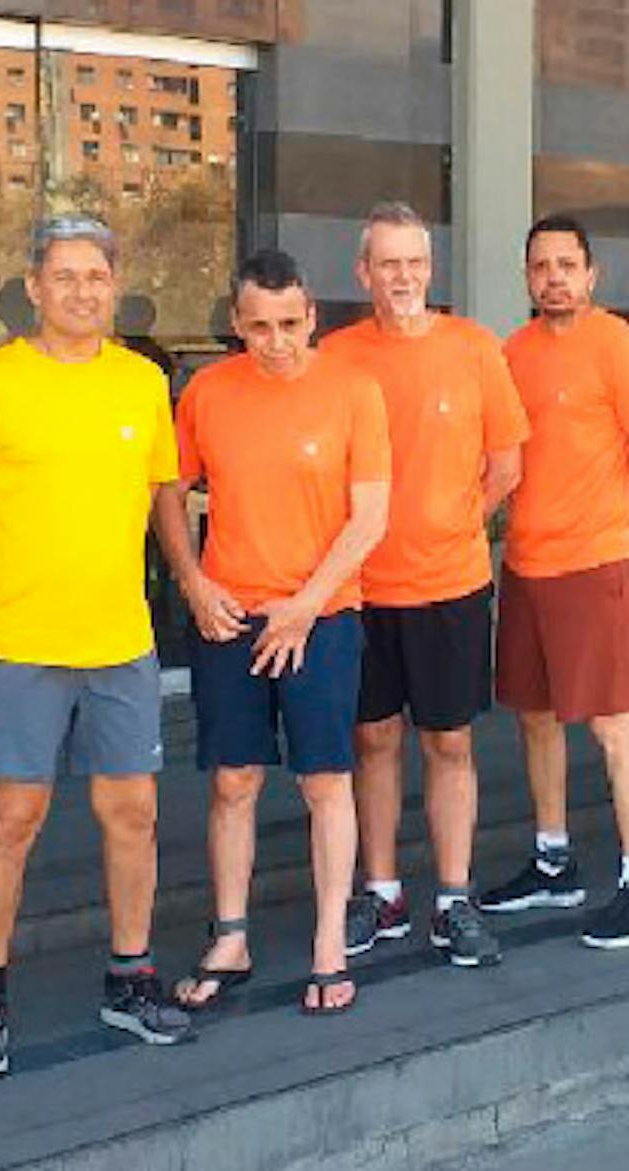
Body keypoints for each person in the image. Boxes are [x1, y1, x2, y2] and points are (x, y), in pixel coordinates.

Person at [0, 215, 193, 1081]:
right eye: (66, 275)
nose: (83, 290)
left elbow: (162, 493)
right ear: (34, 286)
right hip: (18, 643)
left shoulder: (142, 383)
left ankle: (131, 975)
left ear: (112, 286)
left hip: (120, 637)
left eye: (97, 275)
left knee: (134, 814)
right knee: (12, 820)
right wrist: (10, 584)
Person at [155, 249, 390, 1016]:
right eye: (259, 326)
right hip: (230, 614)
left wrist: (304, 605)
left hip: (321, 616)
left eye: (290, 323)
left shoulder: (353, 389)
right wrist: (192, 581)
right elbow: (169, 492)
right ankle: (231, 934)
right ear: (236, 323)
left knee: (325, 780)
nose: (276, 340)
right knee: (233, 780)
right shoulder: (208, 392)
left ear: (312, 317)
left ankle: (328, 938)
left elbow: (370, 516)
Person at [320, 202, 529, 967]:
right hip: (362, 589)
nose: (402, 276)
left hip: (451, 584)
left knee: (449, 740)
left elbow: (506, 463)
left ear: (429, 269)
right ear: (363, 273)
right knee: (371, 739)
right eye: (388, 263)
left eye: (414, 262)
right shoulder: (336, 357)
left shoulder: (474, 348)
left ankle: (452, 896)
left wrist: (453, 522)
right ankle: (382, 893)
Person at [479, 215, 629, 949]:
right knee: (534, 716)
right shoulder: (512, 354)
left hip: (600, 560)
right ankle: (553, 859)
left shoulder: (616, 345)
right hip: (528, 565)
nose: (555, 278)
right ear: (528, 276)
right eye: (541, 266)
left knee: (614, 725)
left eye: (568, 264)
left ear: (592, 274)